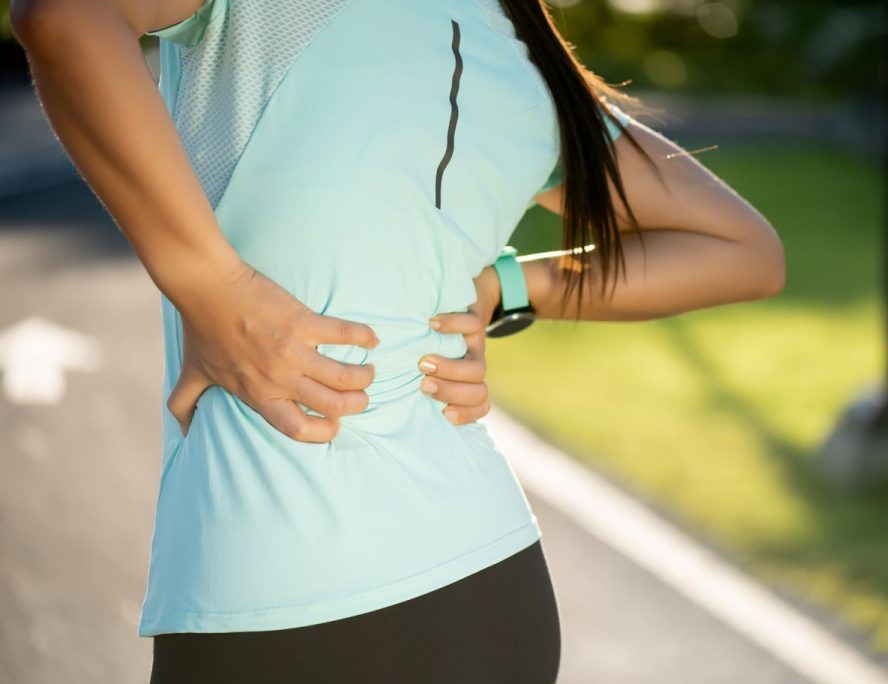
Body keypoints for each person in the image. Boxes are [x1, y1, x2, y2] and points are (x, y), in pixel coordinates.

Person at [11, 0, 786, 681]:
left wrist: (216, 291)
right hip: (495, 584)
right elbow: (745, 250)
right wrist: (511, 288)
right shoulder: (526, 65)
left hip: (284, 594)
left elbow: (62, 17)